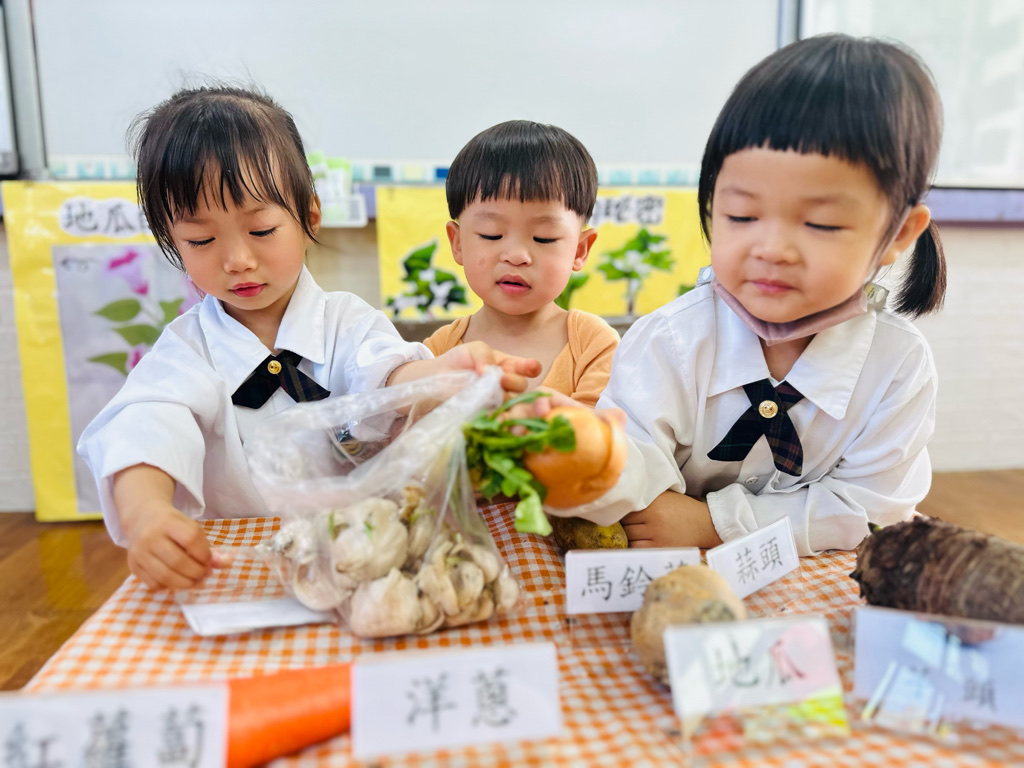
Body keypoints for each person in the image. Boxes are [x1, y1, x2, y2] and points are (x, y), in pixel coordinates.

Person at [78, 86, 539, 590]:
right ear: (172, 241)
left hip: (363, 563)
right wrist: (147, 515)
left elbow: (387, 374)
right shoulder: (188, 350)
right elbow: (144, 425)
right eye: (201, 240)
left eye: (261, 230)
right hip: (239, 567)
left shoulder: (347, 322)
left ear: (309, 217)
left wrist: (439, 375)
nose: (237, 261)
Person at [551, 34, 947, 556]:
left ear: (898, 234)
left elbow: (873, 509)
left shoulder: (898, 364)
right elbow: (635, 461)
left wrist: (719, 524)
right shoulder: (669, 340)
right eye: (741, 215)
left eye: (821, 223)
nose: (772, 249)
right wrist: (588, 454)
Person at [423, 120, 619, 407]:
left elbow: (604, 429)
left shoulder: (594, 344)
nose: (516, 256)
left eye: (543, 238)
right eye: (491, 234)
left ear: (579, 250)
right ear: (458, 243)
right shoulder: (438, 351)